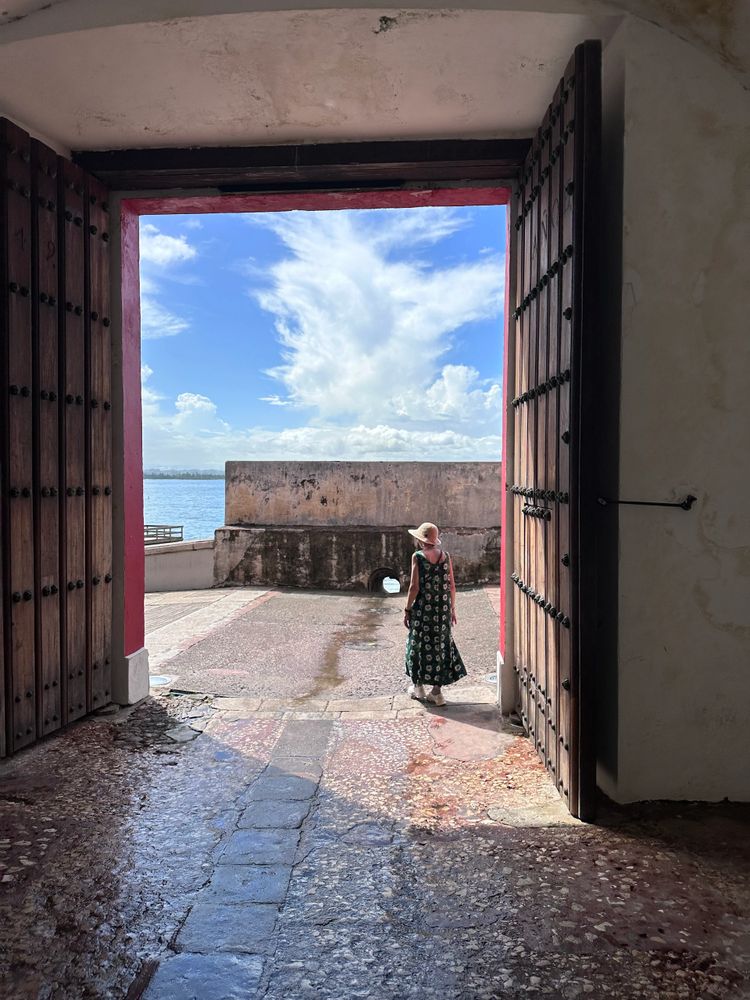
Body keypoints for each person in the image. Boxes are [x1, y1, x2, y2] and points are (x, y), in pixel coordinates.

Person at [403, 522, 467, 707]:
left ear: (420, 540)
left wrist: (407, 609)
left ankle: (418, 687)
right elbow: (452, 586)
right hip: (443, 610)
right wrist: (452, 609)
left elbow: (414, 587)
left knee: (418, 644)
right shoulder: (446, 556)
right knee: (440, 646)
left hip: (424, 609)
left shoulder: (418, 557)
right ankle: (437, 693)